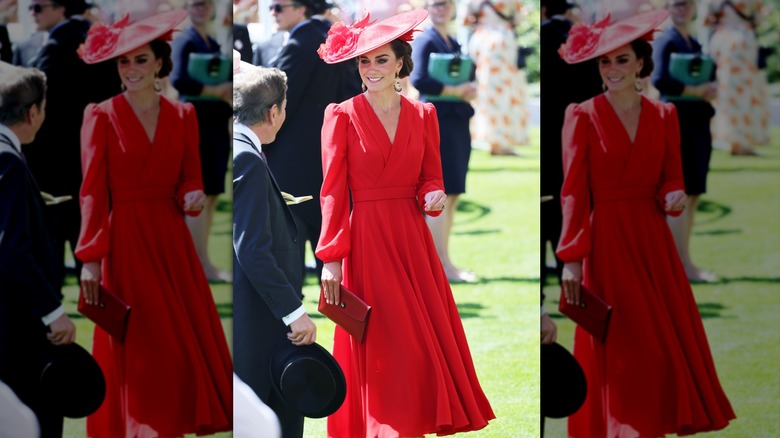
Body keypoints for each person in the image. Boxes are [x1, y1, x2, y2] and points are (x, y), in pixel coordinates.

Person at [556, 10, 736, 437]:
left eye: (621, 60)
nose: (612, 69)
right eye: (604, 61)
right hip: (607, 245)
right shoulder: (581, 115)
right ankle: (624, 426)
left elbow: (672, 179)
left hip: (653, 244)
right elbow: (573, 194)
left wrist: (673, 196)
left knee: (658, 347)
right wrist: (572, 258)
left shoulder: (664, 116)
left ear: (640, 63)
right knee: (623, 345)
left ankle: (650, 422)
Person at [317, 10, 495, 436]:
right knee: (385, 338)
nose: (371, 69)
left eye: (380, 60)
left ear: (400, 62)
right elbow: (332, 193)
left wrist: (431, 196)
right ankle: (384, 426)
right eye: (364, 61)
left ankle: (411, 419)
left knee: (417, 340)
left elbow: (430, 178)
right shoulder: (341, 115)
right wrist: (332, 258)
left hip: (412, 241)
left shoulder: (424, 115)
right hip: (367, 242)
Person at [75, 10, 232, 437]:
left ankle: (172, 418)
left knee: (176, 343)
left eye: (140, 60)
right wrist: (91, 259)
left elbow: (191, 180)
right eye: (124, 62)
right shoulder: (100, 116)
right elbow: (92, 193)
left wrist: (192, 198)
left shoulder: (184, 117)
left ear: (160, 63)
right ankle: (141, 425)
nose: (130, 70)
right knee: (141, 340)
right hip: (125, 241)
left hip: (170, 239)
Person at [232, 59, 318, 438]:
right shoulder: (248, 159)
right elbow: (251, 248)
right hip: (257, 321)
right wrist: (295, 313)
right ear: (273, 111)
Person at [0, 61, 77, 438]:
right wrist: (55, 313)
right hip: (15, 326)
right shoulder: (9, 162)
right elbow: (12, 250)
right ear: (33, 112)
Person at [21, 0, 120, 288]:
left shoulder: (56, 45)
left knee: (48, 257)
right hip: (93, 162)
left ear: (60, 8)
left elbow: (29, 101)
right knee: (93, 257)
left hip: (52, 166)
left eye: (38, 7)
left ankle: (53, 327)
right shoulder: (99, 40)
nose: (32, 13)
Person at [264, 0, 362, 282]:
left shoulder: (302, 39)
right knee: (331, 251)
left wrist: (261, 142)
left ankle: (293, 317)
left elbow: (280, 102)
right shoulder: (333, 35)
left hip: (293, 159)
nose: (273, 12)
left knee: (288, 255)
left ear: (301, 7)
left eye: (278, 6)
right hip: (330, 155)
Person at [411, 0, 478, 284]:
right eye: (435, 4)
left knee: (452, 196)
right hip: (440, 123)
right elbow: (418, 78)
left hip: (457, 121)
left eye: (445, 4)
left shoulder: (452, 39)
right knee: (441, 194)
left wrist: (470, 88)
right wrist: (454, 89)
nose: (441, 8)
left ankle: (446, 261)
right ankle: (437, 265)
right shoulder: (426, 39)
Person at [652, 0, 719, 283]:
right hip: (680, 122)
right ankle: (679, 265)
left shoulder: (693, 40)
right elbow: (660, 79)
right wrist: (695, 90)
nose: (681, 9)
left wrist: (710, 87)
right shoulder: (667, 40)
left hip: (697, 122)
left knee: (692, 196)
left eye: (685, 4)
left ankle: (685, 261)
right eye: (676, 4)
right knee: (681, 194)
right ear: (668, 7)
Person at [539, 0, 602, 288]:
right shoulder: (584, 40)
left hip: (547, 135)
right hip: (577, 134)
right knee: (574, 203)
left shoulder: (548, 36)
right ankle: (574, 268)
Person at [171, 0, 233, 283]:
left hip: (215, 125)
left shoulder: (209, 39)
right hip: (198, 125)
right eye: (195, 4)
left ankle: (202, 261)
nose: (200, 9)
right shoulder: (185, 39)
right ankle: (197, 263)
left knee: (211, 196)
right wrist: (217, 89)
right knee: (199, 194)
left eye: (204, 4)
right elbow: (179, 79)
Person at [703, 0, 770, 155]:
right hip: (743, 41)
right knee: (745, 94)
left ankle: (728, 138)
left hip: (721, 41)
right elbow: (759, 18)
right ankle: (741, 141)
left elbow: (706, 20)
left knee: (724, 93)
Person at [466, 0, 529, 156]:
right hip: (502, 40)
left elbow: (466, 20)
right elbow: (518, 19)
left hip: (480, 40)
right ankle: (499, 141)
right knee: (503, 92)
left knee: (483, 90)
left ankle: (488, 138)